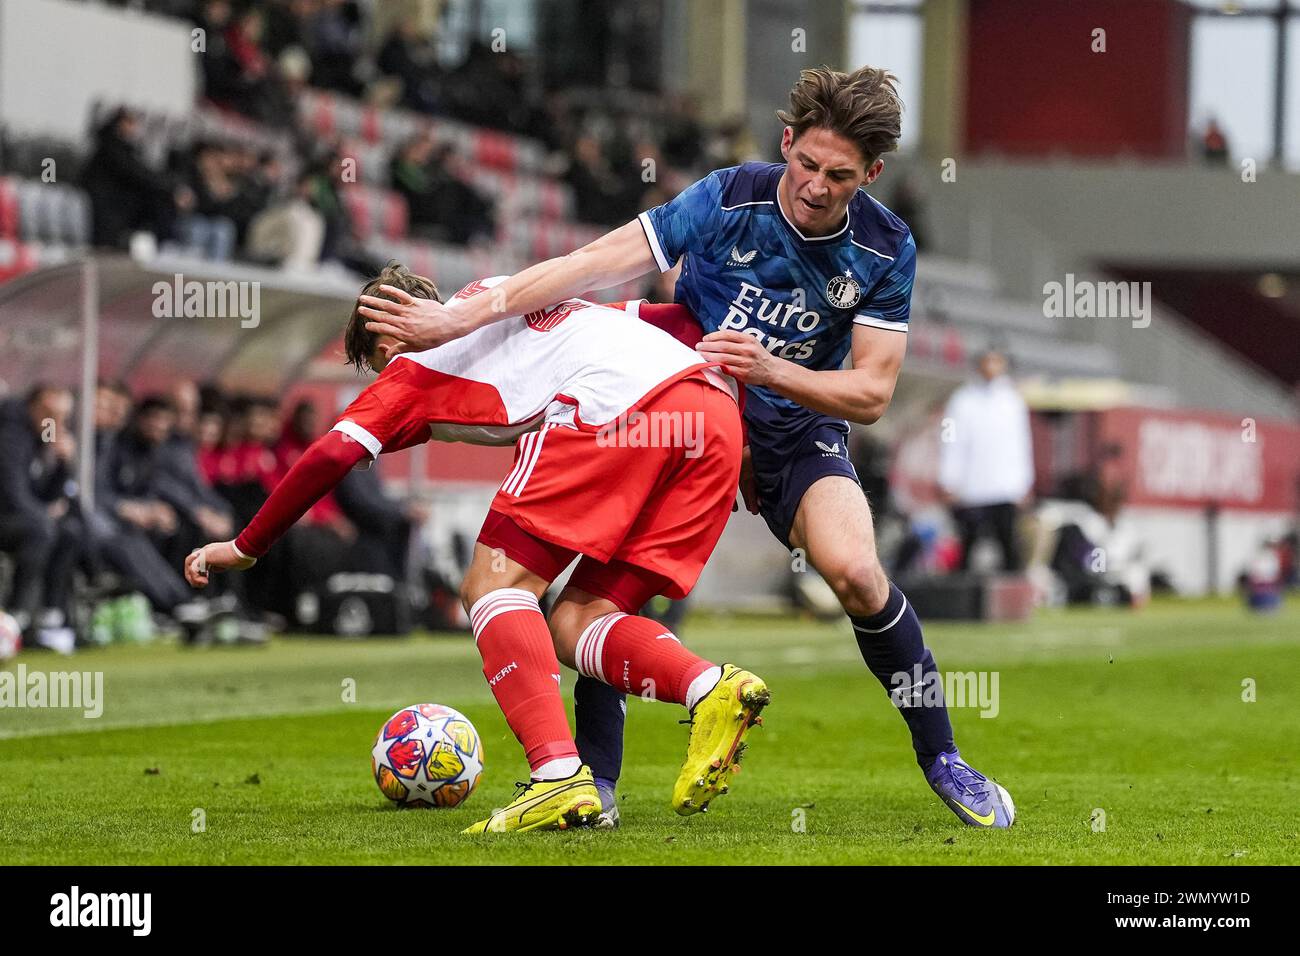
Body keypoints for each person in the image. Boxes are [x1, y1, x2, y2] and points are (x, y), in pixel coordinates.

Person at [359, 66, 1015, 829]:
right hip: (681, 412)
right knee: (603, 594)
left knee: (858, 574)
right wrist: (461, 320)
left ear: (869, 175)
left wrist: (770, 369)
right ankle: (595, 783)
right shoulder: (728, 196)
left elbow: (870, 394)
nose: (814, 187)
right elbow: (588, 264)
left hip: (796, 428)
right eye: (805, 164)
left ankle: (945, 759)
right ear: (787, 143)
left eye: (838, 176)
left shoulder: (884, 247)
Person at [185, 264, 769, 834]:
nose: (381, 374)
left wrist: (244, 546)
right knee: (585, 621)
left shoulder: (410, 367)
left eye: (376, 360)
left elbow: (330, 456)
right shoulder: (504, 296)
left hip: (613, 411)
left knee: (494, 586)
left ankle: (557, 772)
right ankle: (707, 689)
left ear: (388, 331)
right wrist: (748, 435)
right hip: (711, 417)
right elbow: (676, 320)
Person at [938, 347, 1034, 572]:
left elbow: (1021, 444)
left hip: (1004, 488)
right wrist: (949, 479)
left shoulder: (1012, 401)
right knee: (966, 549)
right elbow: (951, 441)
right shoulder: (962, 401)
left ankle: (1012, 602)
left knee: (1009, 549)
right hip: (971, 489)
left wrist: (1023, 483)